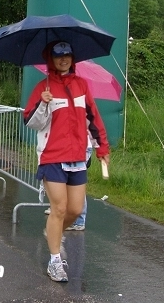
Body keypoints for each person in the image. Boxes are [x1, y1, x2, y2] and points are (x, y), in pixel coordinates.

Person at [24, 41, 110, 283]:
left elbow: (93, 117)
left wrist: (102, 147)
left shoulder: (81, 85)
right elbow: (31, 122)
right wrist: (43, 103)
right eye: (58, 56)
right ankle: (54, 261)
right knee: (59, 208)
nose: (63, 60)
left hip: (78, 156)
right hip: (52, 156)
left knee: (74, 210)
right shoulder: (43, 87)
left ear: (73, 58)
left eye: (67, 55)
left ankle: (53, 231)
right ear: (50, 59)